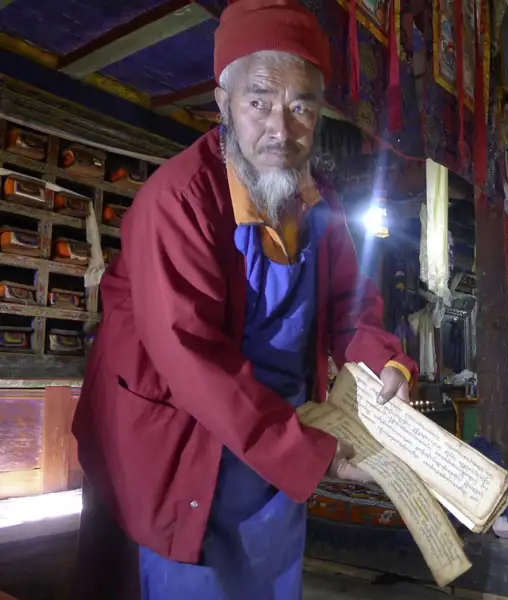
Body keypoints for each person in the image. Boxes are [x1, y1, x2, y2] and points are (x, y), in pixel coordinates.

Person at [70, 0, 417, 598]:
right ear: (223, 103)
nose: (280, 129)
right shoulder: (176, 202)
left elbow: (348, 305)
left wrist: (383, 358)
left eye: (301, 105)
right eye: (259, 101)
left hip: (278, 441)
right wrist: (319, 456)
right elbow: (192, 361)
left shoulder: (319, 201)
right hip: (184, 437)